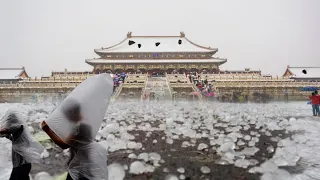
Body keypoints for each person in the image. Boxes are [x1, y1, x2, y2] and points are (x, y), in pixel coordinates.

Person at [43, 100, 108, 180]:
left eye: (67, 115)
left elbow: (64, 144)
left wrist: (48, 130)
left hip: (82, 167)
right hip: (82, 166)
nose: (67, 118)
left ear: (73, 113)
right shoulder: (81, 124)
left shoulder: (82, 127)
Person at [0, 111, 44, 180]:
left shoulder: (18, 126)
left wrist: (4, 133)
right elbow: (10, 136)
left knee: (18, 176)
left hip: (22, 160)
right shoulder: (17, 128)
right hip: (20, 159)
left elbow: (3, 131)